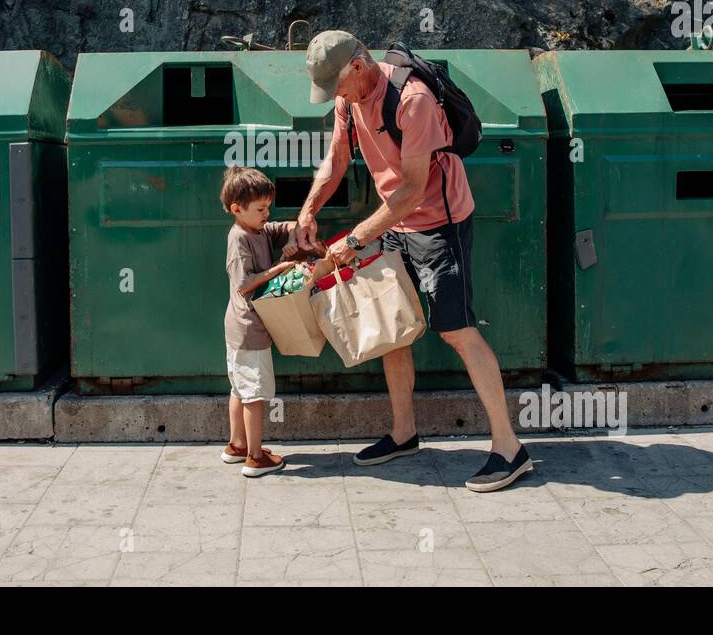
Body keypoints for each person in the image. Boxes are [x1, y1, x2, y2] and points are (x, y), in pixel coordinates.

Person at [294, 30, 533, 492]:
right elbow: (336, 159)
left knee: (456, 331)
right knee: (393, 326)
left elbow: (412, 190)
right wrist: (308, 210)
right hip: (394, 226)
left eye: (338, 86)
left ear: (358, 67)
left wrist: (355, 238)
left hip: (439, 223)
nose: (335, 97)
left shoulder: (413, 100)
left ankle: (509, 448)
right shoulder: (348, 101)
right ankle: (404, 433)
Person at [220, 165, 296, 477]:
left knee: (239, 389)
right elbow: (244, 282)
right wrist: (280, 268)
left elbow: (279, 229)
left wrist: (298, 227)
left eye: (268, 207)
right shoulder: (239, 240)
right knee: (255, 394)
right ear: (237, 209)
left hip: (239, 328)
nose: (267, 214)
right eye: (261, 209)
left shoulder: (256, 229)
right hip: (249, 329)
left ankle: (236, 445)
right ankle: (255, 457)